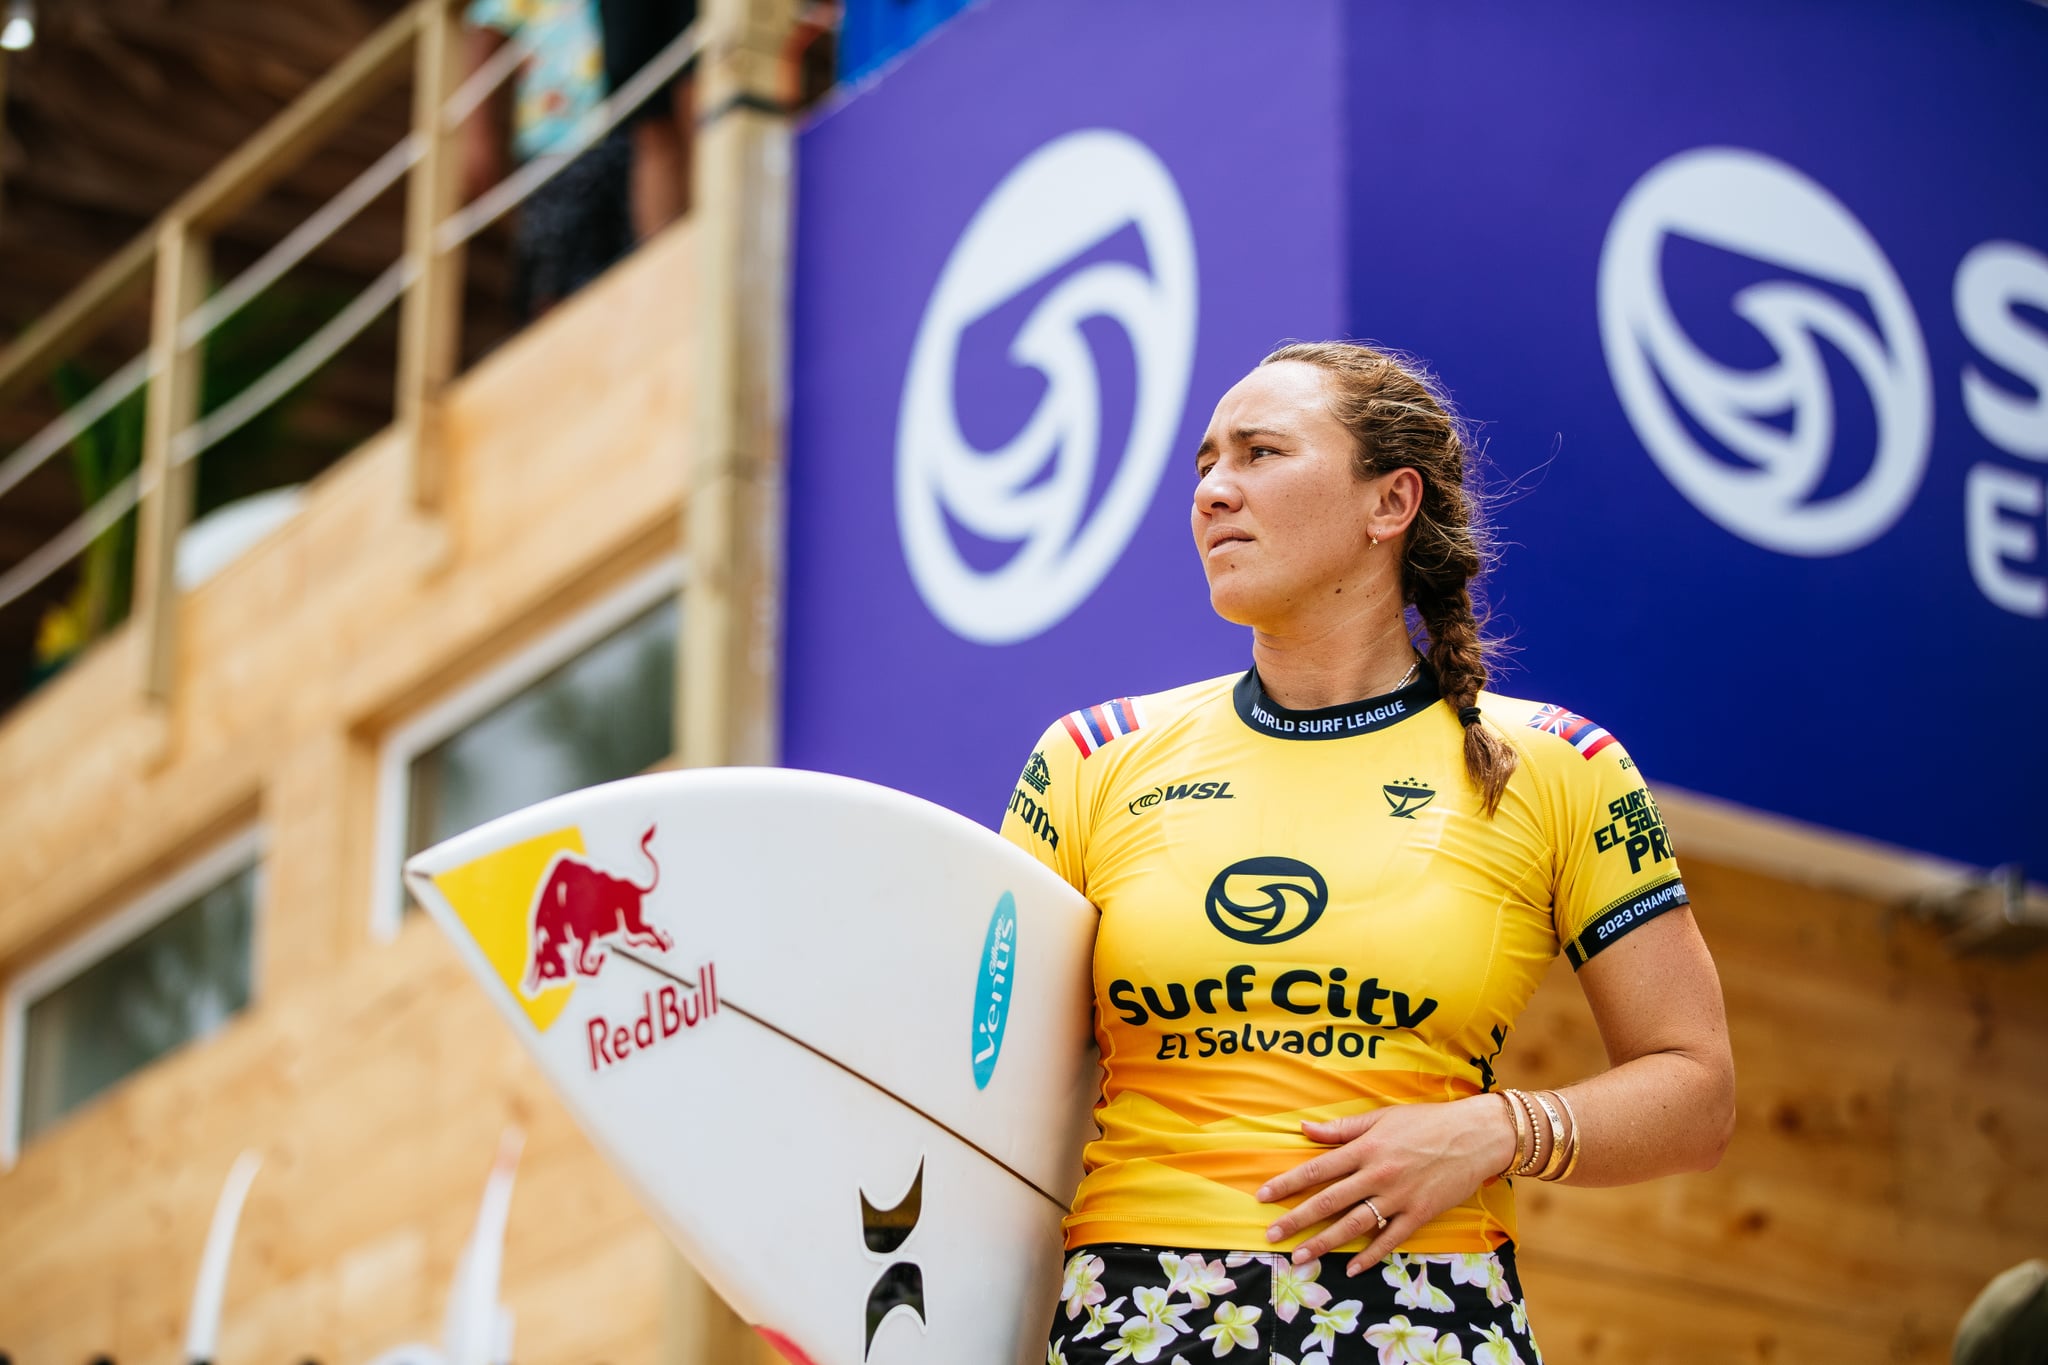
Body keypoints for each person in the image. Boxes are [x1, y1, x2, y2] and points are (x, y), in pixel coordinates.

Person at [1000, 342, 1737, 1363]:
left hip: (1427, 1311)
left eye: (1259, 453)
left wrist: (1497, 1129)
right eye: (1204, 463)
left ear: (1388, 503)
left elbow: (1695, 1092)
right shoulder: (1088, 757)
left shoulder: (1562, 765)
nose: (1213, 490)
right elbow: (982, 1081)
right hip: (1134, 1313)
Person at [463, 0, 634, 320]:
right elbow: (490, 28)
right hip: (553, 147)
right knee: (552, 282)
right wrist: (480, 142)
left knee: (627, 265)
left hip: (627, 130)